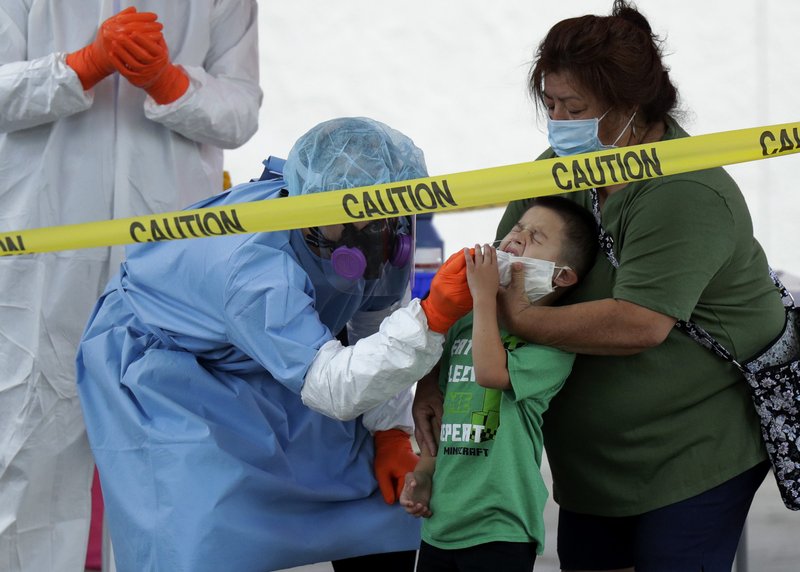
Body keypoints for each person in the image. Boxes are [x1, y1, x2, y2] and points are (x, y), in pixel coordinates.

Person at [413, 2, 784, 571]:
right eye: (551, 105)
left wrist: (518, 319)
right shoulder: (554, 173)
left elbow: (638, 323)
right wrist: (432, 383)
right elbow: (487, 281)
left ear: (631, 107)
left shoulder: (685, 190)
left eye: (575, 108)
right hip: (589, 467)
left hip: (692, 453)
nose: (559, 121)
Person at [75, 117, 474, 572]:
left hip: (272, 354)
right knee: (201, 528)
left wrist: (388, 430)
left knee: (379, 514)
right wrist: (435, 317)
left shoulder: (383, 228)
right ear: (310, 202)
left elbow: (375, 320)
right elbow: (331, 387)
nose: (374, 236)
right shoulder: (254, 268)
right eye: (352, 222)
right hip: (168, 367)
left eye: (382, 219)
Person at [0, 3, 261, 571]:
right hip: (46, 253)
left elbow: (241, 110)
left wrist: (170, 83)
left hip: (170, 263)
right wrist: (80, 66)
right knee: (29, 451)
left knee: (172, 457)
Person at [400, 197, 598, 572]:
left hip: (501, 524)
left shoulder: (554, 345)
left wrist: (484, 296)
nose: (517, 238)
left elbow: (490, 372)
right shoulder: (466, 321)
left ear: (561, 275)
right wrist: (425, 474)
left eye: (536, 237)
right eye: (516, 229)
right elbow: (443, 410)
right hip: (441, 523)